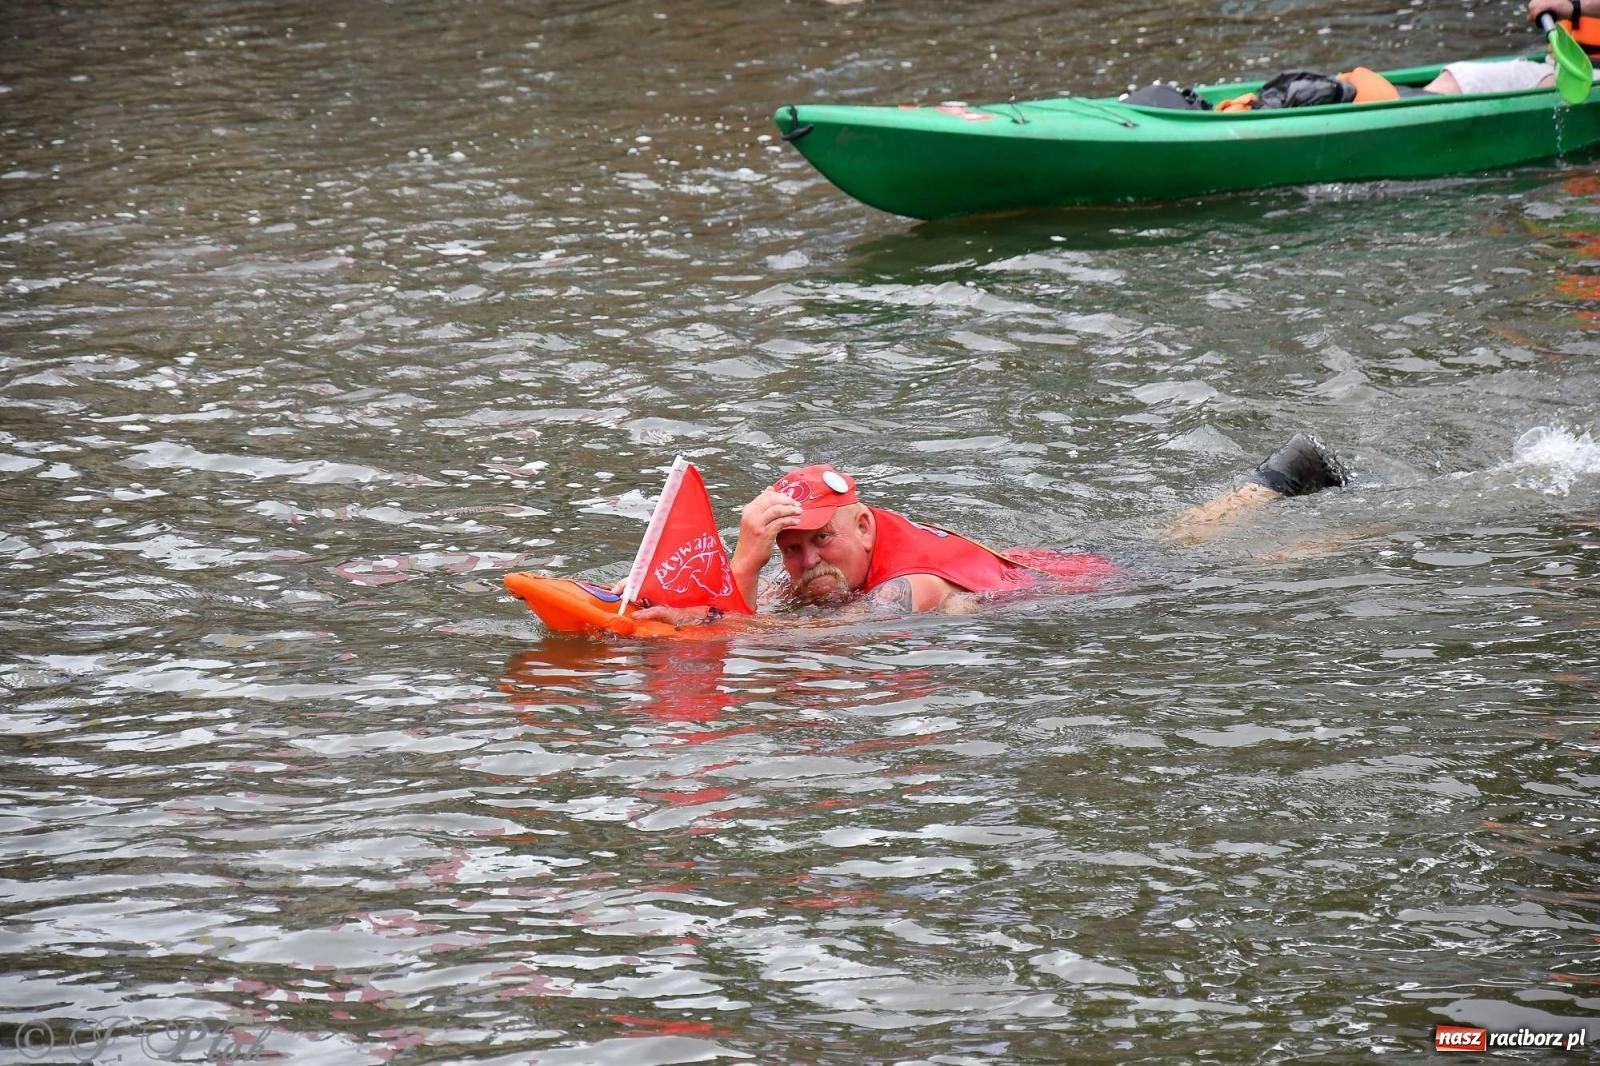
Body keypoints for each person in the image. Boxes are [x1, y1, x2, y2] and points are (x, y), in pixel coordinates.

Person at [630, 432, 1350, 626]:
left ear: (864, 524)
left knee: (1216, 563)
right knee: (1177, 535)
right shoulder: (829, 568)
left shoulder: (909, 588)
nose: (810, 559)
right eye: (790, 549)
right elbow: (757, 619)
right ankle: (1279, 478)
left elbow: (787, 642)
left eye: (823, 539)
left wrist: (743, 562)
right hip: (1037, 563)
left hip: (1096, 589)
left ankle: (1364, 538)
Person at [1425, 0, 1599, 94]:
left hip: (1591, 75)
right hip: (1557, 65)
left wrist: (1574, 6)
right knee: (1452, 79)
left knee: (1550, 85)